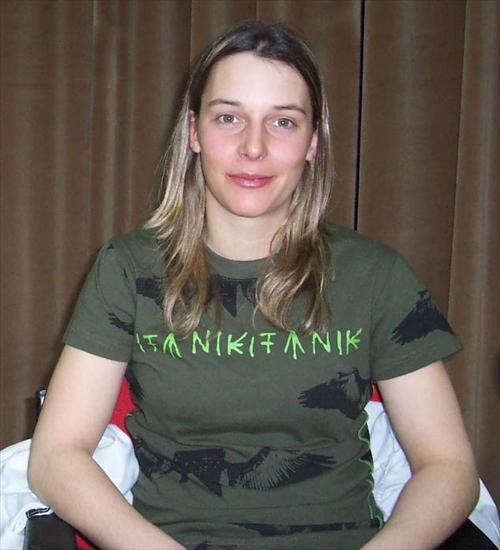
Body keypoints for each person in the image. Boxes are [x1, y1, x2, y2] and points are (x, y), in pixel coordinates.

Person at [28, 21, 479, 550]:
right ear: (194, 132)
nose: (253, 148)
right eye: (228, 117)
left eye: (282, 122)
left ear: (313, 141)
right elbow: (56, 457)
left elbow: (448, 465)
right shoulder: (127, 269)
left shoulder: (376, 275)